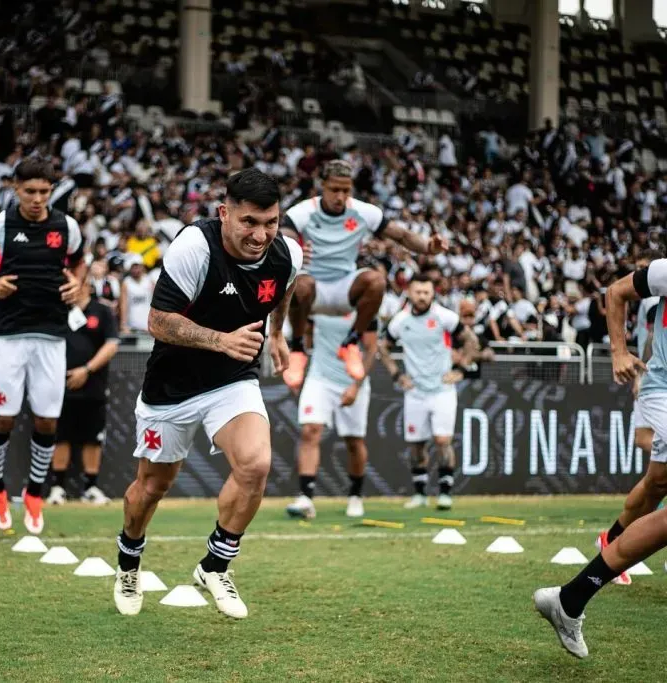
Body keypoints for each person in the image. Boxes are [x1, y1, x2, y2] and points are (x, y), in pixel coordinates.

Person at [112, 168, 303, 619]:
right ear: (224, 213)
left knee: (255, 463)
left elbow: (285, 289)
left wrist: (277, 335)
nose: (261, 234)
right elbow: (158, 322)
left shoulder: (287, 254)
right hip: (171, 385)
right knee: (152, 487)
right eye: (249, 222)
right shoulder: (195, 246)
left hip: (233, 379)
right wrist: (221, 339)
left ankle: (216, 565)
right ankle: (128, 560)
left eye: (270, 222)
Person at [533, 258, 667, 659]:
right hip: (663, 391)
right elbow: (616, 292)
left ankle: (570, 598)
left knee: (658, 487)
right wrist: (619, 352)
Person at [0, 158, 83, 534]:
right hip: (8, 335)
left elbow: (79, 265)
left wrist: (78, 285)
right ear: (16, 189)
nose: (38, 199)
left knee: (47, 420)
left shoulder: (67, 226)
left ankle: (35, 492)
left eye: (45, 192)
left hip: (51, 336)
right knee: (4, 419)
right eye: (30, 191)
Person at [281, 159, 446, 389]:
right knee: (299, 283)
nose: (340, 197)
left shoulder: (362, 211)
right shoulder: (303, 211)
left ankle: (350, 343)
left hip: (345, 289)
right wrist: (295, 250)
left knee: (376, 280)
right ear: (323, 186)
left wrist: (429, 246)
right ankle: (297, 348)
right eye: (334, 190)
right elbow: (282, 239)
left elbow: (403, 236)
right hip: (313, 286)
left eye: (346, 190)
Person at [377, 274, 478, 511]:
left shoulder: (445, 317)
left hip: (442, 390)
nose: (422, 296)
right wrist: (396, 375)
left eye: (426, 292)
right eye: (418, 292)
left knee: (443, 440)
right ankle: (420, 494)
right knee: (416, 445)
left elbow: (471, 341)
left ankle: (445, 492)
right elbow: (383, 347)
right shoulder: (400, 321)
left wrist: (461, 369)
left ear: (433, 294)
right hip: (415, 392)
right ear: (409, 293)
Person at [286, 311, 378, 520]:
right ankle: (306, 498)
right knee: (310, 430)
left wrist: (356, 386)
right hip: (320, 378)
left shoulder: (364, 305)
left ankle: (355, 496)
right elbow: (305, 335)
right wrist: (297, 368)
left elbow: (372, 348)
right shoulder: (316, 303)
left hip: (353, 380)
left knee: (353, 441)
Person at [47, 265, 120, 506]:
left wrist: (86, 370)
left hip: (93, 385)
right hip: (60, 385)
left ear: (86, 284)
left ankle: (91, 487)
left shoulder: (103, 311)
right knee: (60, 435)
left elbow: (111, 345)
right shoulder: (57, 310)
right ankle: (57, 487)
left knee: (93, 437)